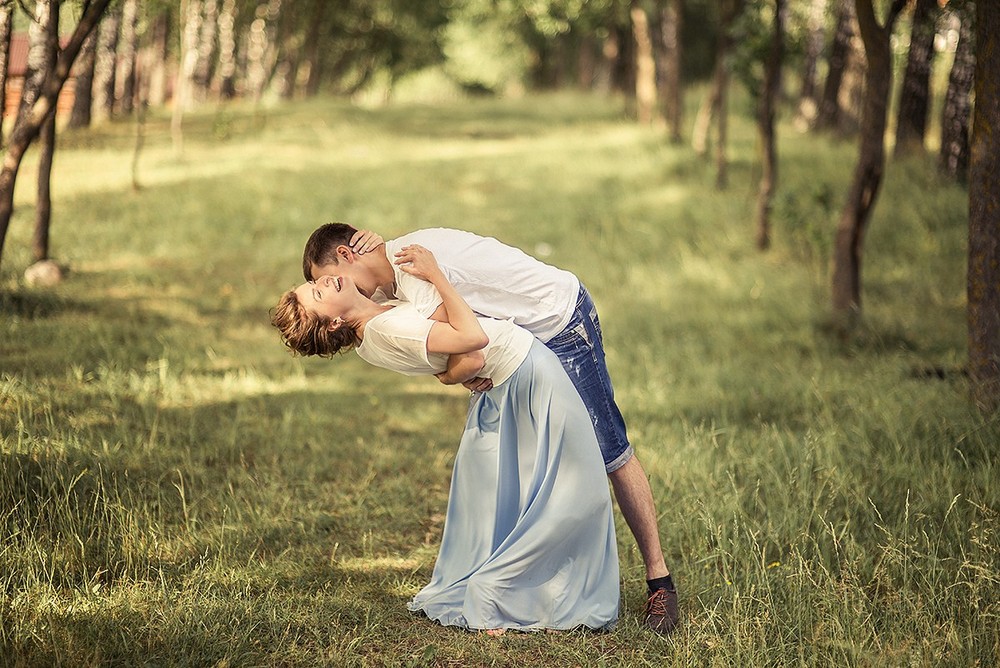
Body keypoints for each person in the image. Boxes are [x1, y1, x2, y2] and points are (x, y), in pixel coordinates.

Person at [301, 224, 679, 634]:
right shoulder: (389, 283)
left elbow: (467, 355)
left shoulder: (414, 270)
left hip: (558, 324)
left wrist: (452, 377)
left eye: (326, 278)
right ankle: (539, 582)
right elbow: (450, 350)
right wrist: (455, 370)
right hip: (523, 348)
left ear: (346, 253)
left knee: (611, 453)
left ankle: (659, 582)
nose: (334, 286)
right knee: (533, 466)